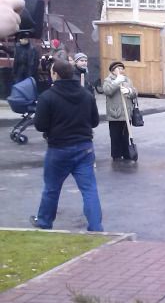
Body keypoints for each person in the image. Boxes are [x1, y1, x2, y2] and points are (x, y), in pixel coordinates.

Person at [29, 59, 102, 232]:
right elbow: (95, 121)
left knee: (52, 188)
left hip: (59, 149)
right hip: (84, 147)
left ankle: (45, 222)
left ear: (55, 74)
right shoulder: (86, 95)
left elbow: (40, 125)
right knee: (89, 189)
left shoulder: (47, 97)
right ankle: (96, 227)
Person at [102, 61, 138, 162]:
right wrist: (116, 82)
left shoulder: (127, 80)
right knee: (115, 135)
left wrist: (130, 91)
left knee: (126, 135)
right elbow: (107, 91)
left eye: (122, 69)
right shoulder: (108, 80)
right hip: (115, 113)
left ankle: (127, 153)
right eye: (119, 69)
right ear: (113, 71)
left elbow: (135, 91)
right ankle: (116, 155)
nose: (121, 71)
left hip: (127, 112)